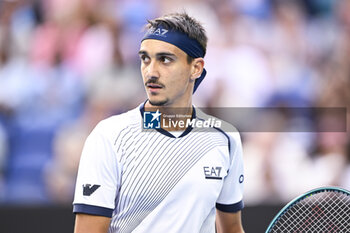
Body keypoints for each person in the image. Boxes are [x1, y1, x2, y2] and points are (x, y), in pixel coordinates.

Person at [73, 12, 245, 233]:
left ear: (196, 68)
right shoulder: (109, 136)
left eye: (165, 60)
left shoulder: (226, 139)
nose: (151, 72)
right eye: (145, 59)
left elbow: (231, 229)